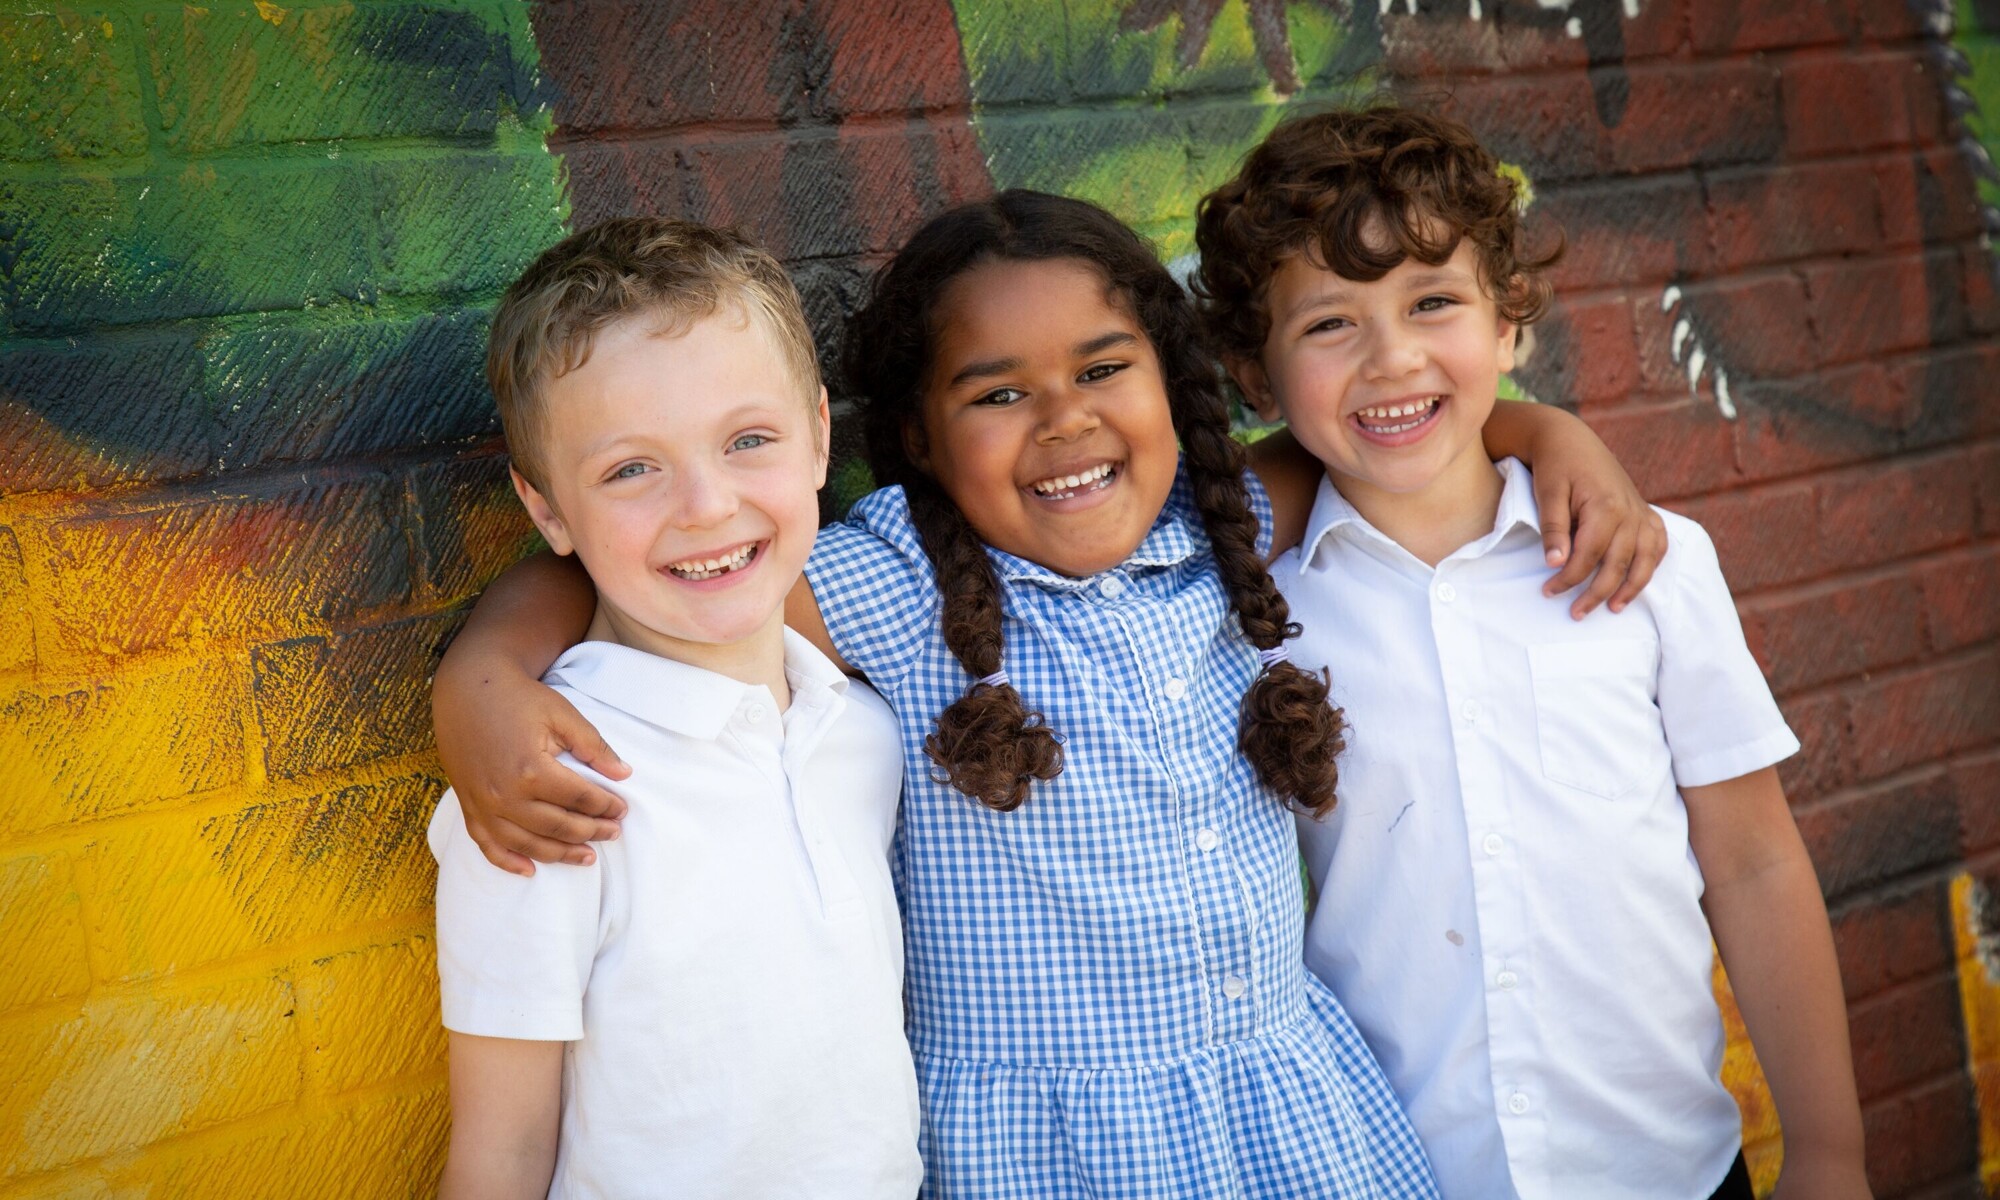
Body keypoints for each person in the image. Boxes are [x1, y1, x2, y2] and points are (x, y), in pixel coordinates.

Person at [429, 190, 1668, 1196]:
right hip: (1047, 1150)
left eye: (1100, 370)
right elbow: (672, 571)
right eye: (999, 393)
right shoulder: (895, 590)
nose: (1063, 423)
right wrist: (481, 678)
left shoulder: (1221, 533)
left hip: (1286, 1118)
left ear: (1174, 384)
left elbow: (1383, 433)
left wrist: (1540, 431)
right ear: (915, 431)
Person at [1194, 106, 1869, 1200]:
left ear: (1509, 326)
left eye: (1432, 303)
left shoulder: (1648, 563)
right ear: (1254, 377)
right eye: (1328, 326)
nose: (1392, 357)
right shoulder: (1248, 611)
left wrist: (1830, 1152)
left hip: (1671, 1172)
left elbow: (1750, 861)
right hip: (1397, 1175)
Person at [428, 217, 920, 1200]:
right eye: (630, 469)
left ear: (819, 436)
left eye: (747, 440)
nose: (705, 504)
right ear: (548, 512)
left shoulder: (860, 730)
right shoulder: (548, 788)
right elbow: (501, 1153)